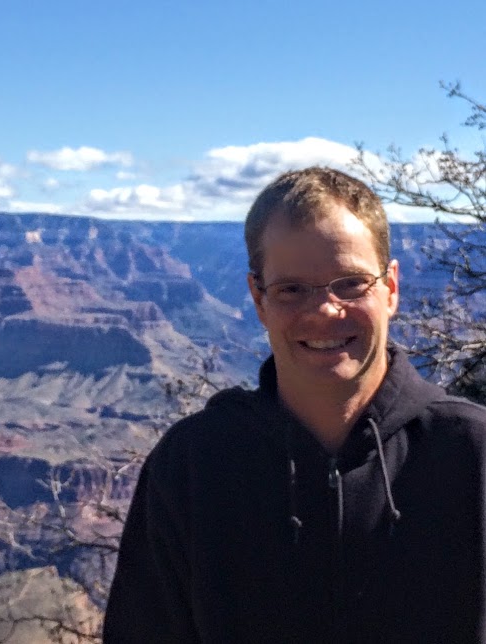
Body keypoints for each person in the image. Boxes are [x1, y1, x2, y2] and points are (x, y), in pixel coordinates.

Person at [103, 166, 486, 643]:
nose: (325, 310)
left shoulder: (472, 455)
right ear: (258, 299)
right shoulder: (193, 466)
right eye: (291, 289)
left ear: (390, 288)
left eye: (350, 282)